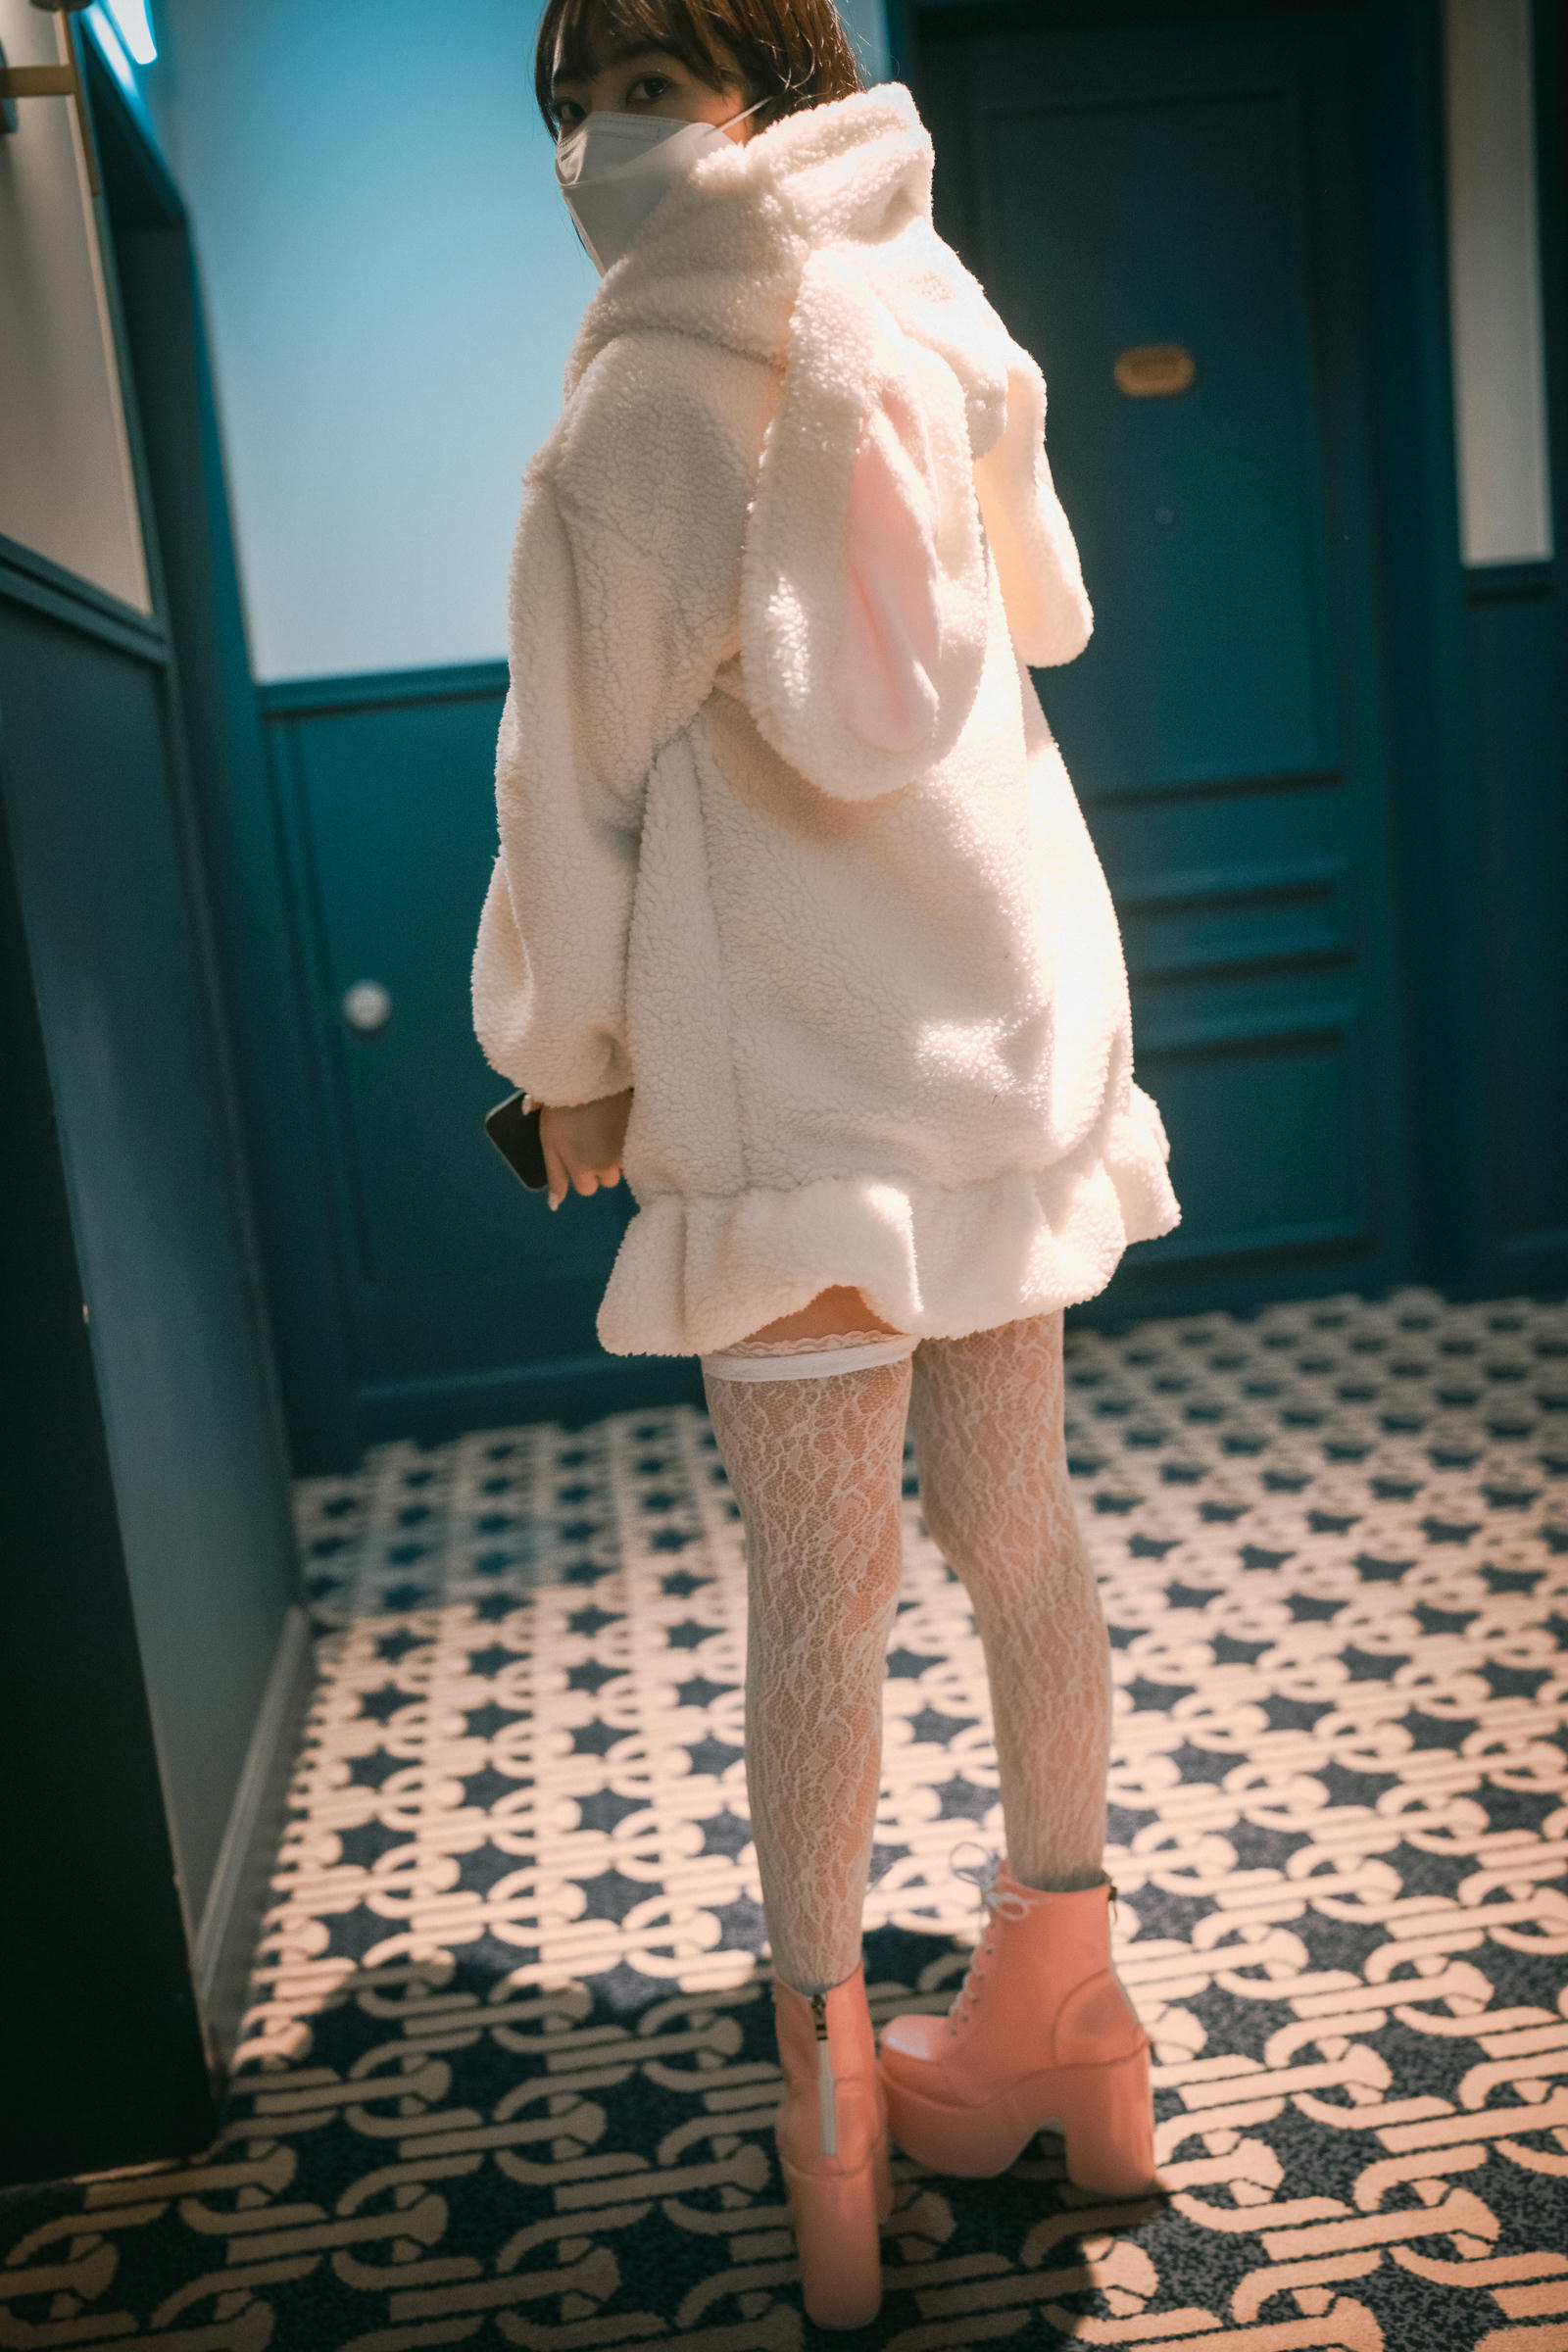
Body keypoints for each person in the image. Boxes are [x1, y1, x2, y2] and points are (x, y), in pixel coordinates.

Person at [471, 0, 1181, 2324]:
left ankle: (832, 2115)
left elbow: (570, 787)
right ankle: (1072, 2024)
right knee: (1019, 1535)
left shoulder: (631, 403)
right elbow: (1046, 611)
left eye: (632, 84)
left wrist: (566, 1057)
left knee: (817, 1588)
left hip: (786, 1090)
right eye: (570, 98)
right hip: (997, 1037)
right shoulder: (940, 304)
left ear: (748, 84)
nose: (590, 139)